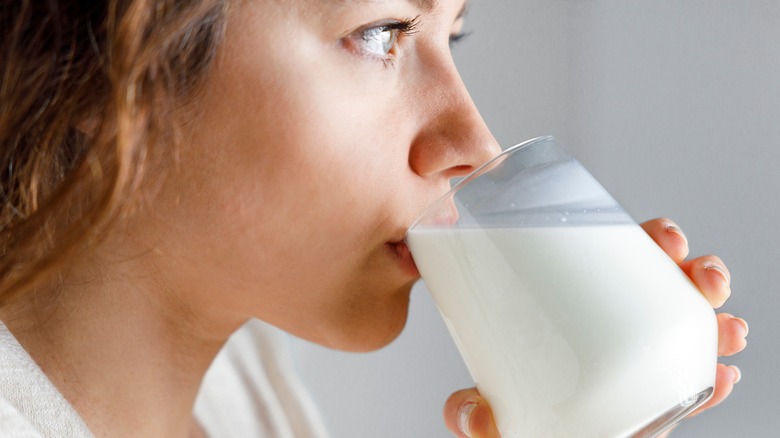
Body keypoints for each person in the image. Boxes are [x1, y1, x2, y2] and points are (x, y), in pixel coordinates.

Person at [0, 0, 749, 437]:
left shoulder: (247, 393)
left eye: (451, 38)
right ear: (104, 68)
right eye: (382, 33)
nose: (474, 144)